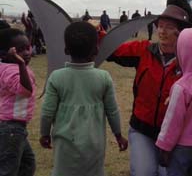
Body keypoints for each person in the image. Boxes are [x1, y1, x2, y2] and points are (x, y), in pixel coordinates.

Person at [104, 5, 191, 176]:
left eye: (169, 27)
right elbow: (112, 50)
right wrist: (96, 33)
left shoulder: (189, 62)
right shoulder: (144, 50)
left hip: (175, 135)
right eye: (160, 25)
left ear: (180, 32)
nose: (162, 31)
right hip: (142, 129)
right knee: (145, 172)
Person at [39, 22, 128, 176]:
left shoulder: (56, 77)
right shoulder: (103, 77)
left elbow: (47, 112)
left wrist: (44, 134)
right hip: (95, 144)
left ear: (66, 49)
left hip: (64, 143)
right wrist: (118, 135)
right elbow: (112, 111)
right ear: (96, 49)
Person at [156, 28, 192, 176]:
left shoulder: (182, 86)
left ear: (183, 52)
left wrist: (164, 146)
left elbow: (173, 121)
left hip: (183, 145)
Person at [0, 28, 36, 176]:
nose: (27, 53)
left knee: (27, 164)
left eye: (27, 48)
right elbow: (25, 91)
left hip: (14, 128)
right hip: (11, 128)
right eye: (20, 50)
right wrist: (21, 64)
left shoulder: (10, 66)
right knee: (8, 170)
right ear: (5, 53)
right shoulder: (11, 70)